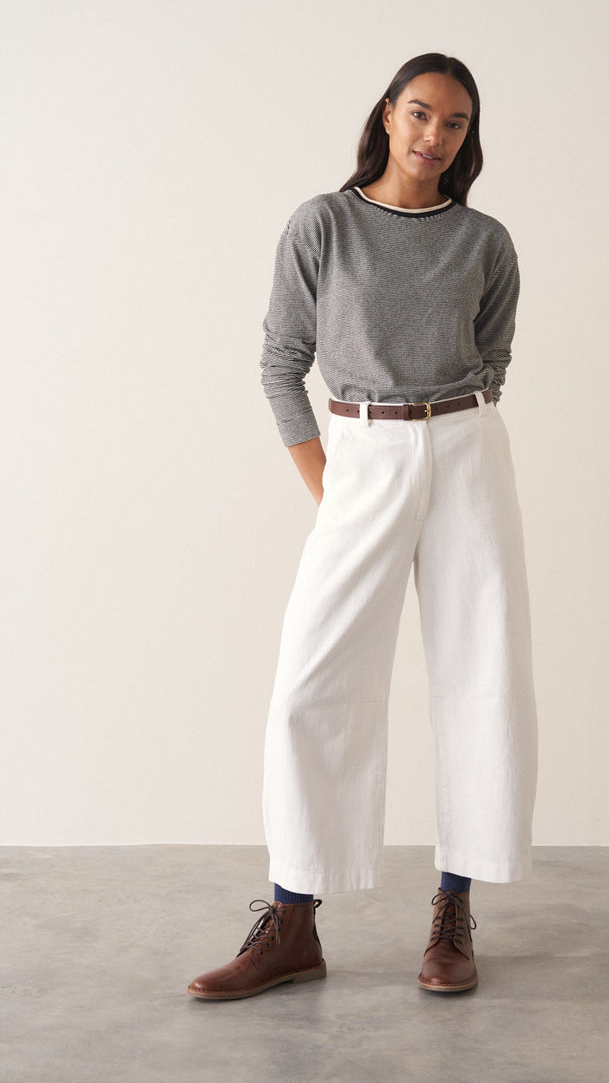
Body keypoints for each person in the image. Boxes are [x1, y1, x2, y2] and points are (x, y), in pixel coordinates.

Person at [188, 52, 537, 1000]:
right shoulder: (324, 224)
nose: (434, 136)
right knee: (315, 678)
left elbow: (494, 357)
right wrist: (332, 484)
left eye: (455, 123)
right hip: (361, 450)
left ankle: (453, 910)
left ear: (469, 136)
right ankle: (293, 921)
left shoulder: (486, 240)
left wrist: (450, 437)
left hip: (466, 448)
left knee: (481, 673)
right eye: (420, 113)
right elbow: (281, 364)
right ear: (387, 115)